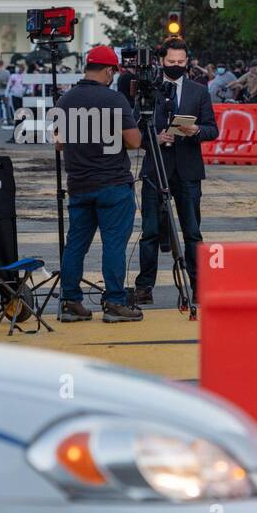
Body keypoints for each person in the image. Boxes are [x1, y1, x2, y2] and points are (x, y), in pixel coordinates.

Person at [56, 45, 143, 323]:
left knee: (75, 245)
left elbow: (58, 143)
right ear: (109, 71)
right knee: (114, 245)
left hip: (79, 184)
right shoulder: (115, 100)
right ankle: (115, 302)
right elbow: (134, 141)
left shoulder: (66, 100)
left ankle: (70, 301)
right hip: (112, 183)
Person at [134, 38, 218, 308]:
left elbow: (212, 129)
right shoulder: (149, 90)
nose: (177, 66)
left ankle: (198, 286)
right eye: (172, 62)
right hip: (155, 167)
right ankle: (145, 287)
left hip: (188, 168)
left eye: (181, 62)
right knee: (149, 232)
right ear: (161, 61)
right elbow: (132, 131)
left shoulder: (198, 91)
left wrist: (196, 131)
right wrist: (153, 139)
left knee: (192, 231)